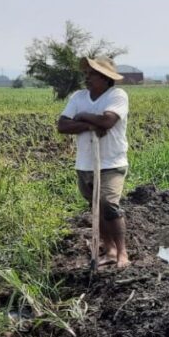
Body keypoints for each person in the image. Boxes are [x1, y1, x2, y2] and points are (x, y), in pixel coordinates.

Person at [56, 56, 131, 268]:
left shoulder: (117, 95)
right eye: (86, 74)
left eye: (92, 74)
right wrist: (90, 125)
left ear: (106, 78)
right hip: (85, 163)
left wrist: (82, 116)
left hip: (111, 162)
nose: (87, 78)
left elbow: (108, 121)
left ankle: (122, 254)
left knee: (108, 204)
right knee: (95, 207)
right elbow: (62, 126)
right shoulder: (78, 96)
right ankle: (109, 250)